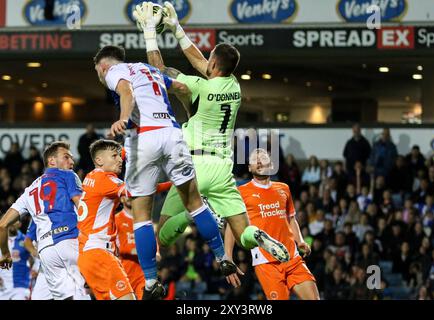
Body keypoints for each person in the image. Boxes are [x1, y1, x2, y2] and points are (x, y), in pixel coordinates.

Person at [132, 1, 290, 282]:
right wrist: (177, 29)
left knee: (164, 234)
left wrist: (150, 33)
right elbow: (202, 63)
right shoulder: (233, 87)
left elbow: (159, 72)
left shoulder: (199, 87)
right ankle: (259, 235)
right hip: (223, 170)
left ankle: (194, 217)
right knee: (243, 235)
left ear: (214, 63)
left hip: (193, 163)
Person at [93, 40, 240, 298]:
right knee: (195, 203)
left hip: (145, 137)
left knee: (141, 217)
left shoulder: (115, 71)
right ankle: (221, 256)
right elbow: (182, 87)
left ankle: (150, 282)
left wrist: (124, 118)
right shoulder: (147, 69)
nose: (100, 76)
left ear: (103, 66)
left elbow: (126, 92)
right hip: (173, 135)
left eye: (98, 72)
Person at [225, 148, 319, 300]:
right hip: (266, 263)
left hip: (292, 258)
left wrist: (300, 241)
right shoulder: (241, 192)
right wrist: (228, 256)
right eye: (255, 159)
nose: (260, 160)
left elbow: (290, 218)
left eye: (263, 157)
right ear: (249, 168)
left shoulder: (284, 188)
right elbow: (232, 225)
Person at [0, 141, 88, 300]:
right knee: (82, 292)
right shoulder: (68, 175)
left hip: (46, 251)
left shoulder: (30, 190)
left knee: (65, 296)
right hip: (69, 240)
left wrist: (6, 254)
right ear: (52, 161)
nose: (72, 162)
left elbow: (2, 225)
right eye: (66, 157)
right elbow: (82, 207)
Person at [77, 139, 136, 300]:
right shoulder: (106, 180)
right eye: (114, 156)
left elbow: (119, 154)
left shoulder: (91, 176)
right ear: (99, 160)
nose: (120, 159)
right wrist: (174, 183)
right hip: (99, 253)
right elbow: (137, 191)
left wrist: (124, 149)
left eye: (119, 156)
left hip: (89, 252)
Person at [0, 220, 31, 300]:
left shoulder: (26, 240)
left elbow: (37, 257)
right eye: (11, 221)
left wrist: (35, 268)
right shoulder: (1, 241)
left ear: (20, 224)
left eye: (15, 221)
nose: (13, 224)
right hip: (3, 286)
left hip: (20, 285)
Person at [23, 220, 53, 300]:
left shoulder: (72, 210)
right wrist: (38, 254)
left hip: (70, 265)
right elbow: (27, 241)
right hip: (46, 269)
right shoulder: (37, 216)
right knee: (37, 297)